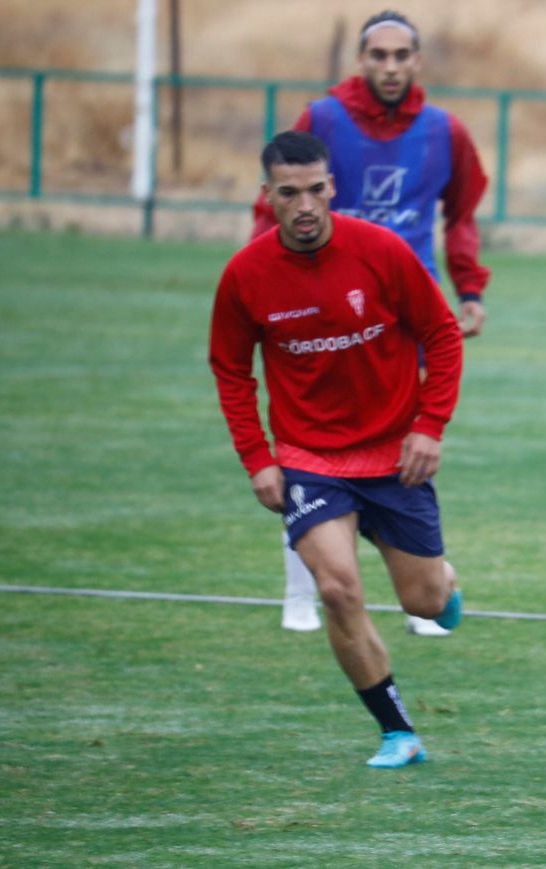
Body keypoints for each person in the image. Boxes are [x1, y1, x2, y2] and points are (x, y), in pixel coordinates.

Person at [212, 130, 465, 766]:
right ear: (266, 196)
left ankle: (444, 583)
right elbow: (231, 371)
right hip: (309, 459)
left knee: (424, 601)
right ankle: (397, 732)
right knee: (337, 590)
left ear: (333, 188)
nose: (304, 205)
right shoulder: (246, 275)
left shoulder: (380, 251)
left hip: (394, 455)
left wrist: (429, 425)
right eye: (288, 192)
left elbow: (442, 334)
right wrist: (259, 458)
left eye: (315, 190)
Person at [252, 10, 491, 636]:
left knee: (406, 440)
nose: (389, 66)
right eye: (377, 55)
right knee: (310, 445)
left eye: (400, 55)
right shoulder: (323, 119)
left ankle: (426, 579)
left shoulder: (445, 131)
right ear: (361, 60)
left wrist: (469, 287)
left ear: (417, 62)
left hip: (405, 315)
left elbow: (461, 213)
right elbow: (273, 205)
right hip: (315, 308)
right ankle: (301, 592)